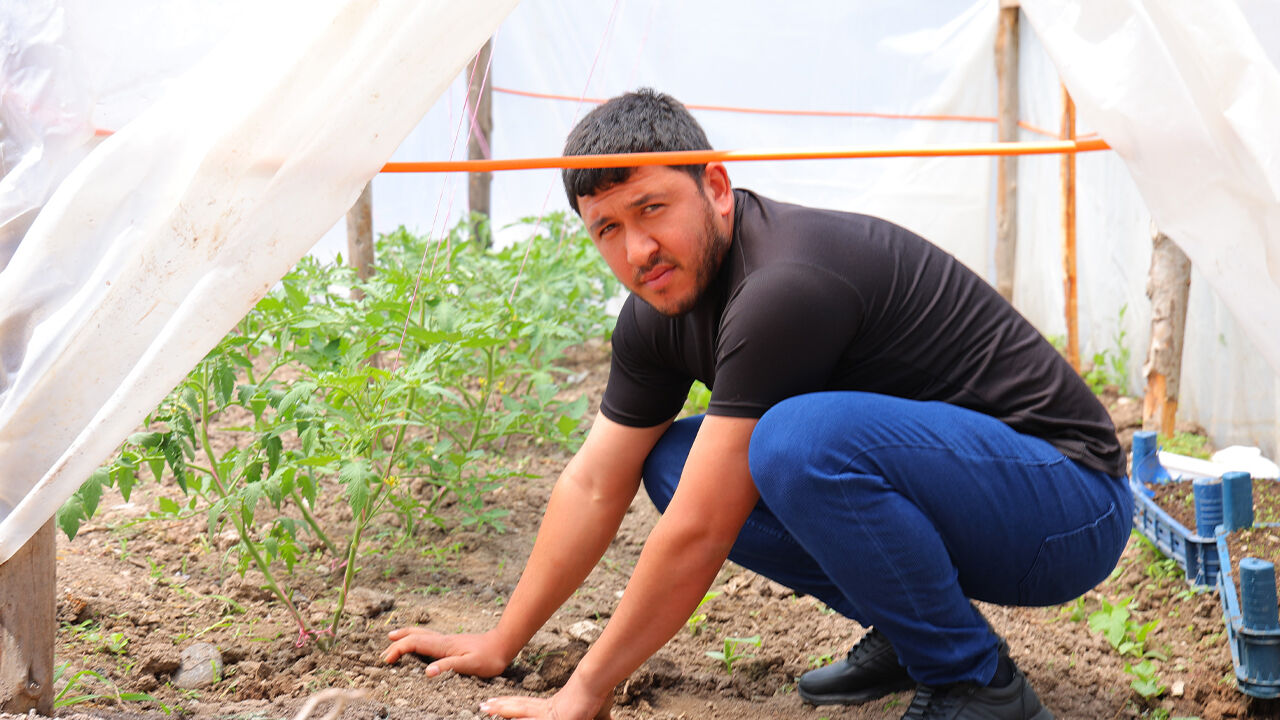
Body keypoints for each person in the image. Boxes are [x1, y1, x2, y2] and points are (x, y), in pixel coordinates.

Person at [381, 89, 1132, 720]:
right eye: (609, 228)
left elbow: (702, 529)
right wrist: (500, 642)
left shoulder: (786, 283)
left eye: (653, 207)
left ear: (714, 186)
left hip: (1067, 508)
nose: (638, 249)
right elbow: (593, 482)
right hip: (977, 497)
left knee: (795, 443)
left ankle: (976, 684)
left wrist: (584, 691)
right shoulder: (654, 317)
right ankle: (916, 633)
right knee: (673, 459)